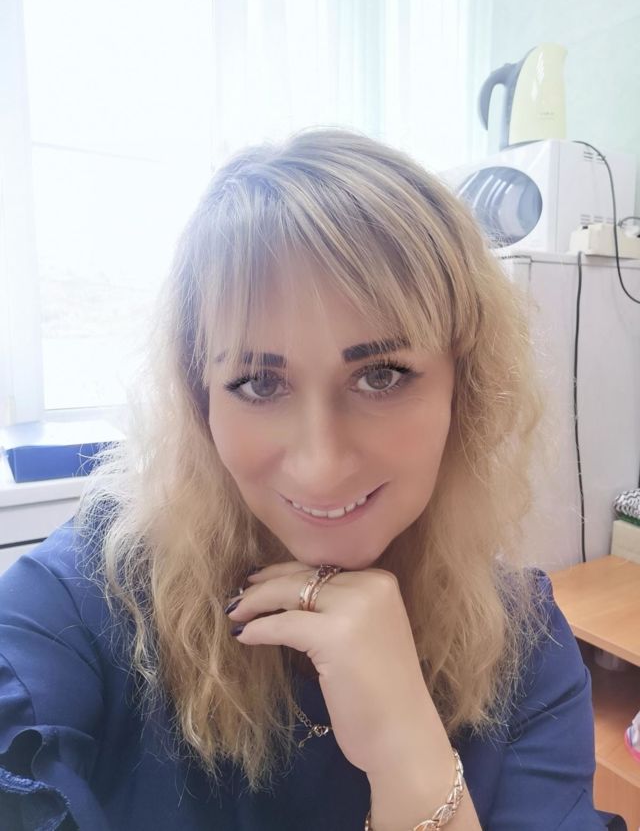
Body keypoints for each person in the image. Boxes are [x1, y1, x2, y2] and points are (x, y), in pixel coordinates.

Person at [0, 127, 609, 830]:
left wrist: (409, 757)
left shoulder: (524, 651)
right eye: (260, 383)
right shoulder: (86, 601)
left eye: (382, 375)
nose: (321, 465)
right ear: (201, 401)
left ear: (463, 388)